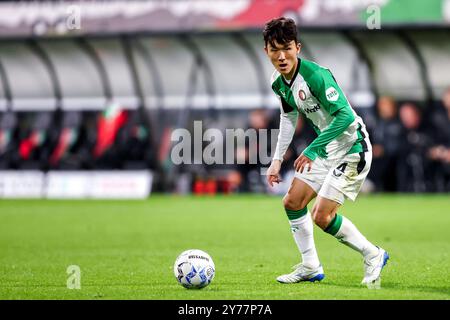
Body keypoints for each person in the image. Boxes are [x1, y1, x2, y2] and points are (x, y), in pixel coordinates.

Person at [263, 17, 389, 287]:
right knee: (292, 202)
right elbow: (288, 119)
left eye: (287, 48)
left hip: (352, 146)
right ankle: (310, 266)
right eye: (275, 49)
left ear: (298, 47)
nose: (282, 56)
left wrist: (312, 148)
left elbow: (345, 117)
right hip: (326, 146)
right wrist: (275, 162)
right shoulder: (278, 82)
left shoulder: (316, 76)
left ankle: (374, 254)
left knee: (322, 216)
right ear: (266, 51)